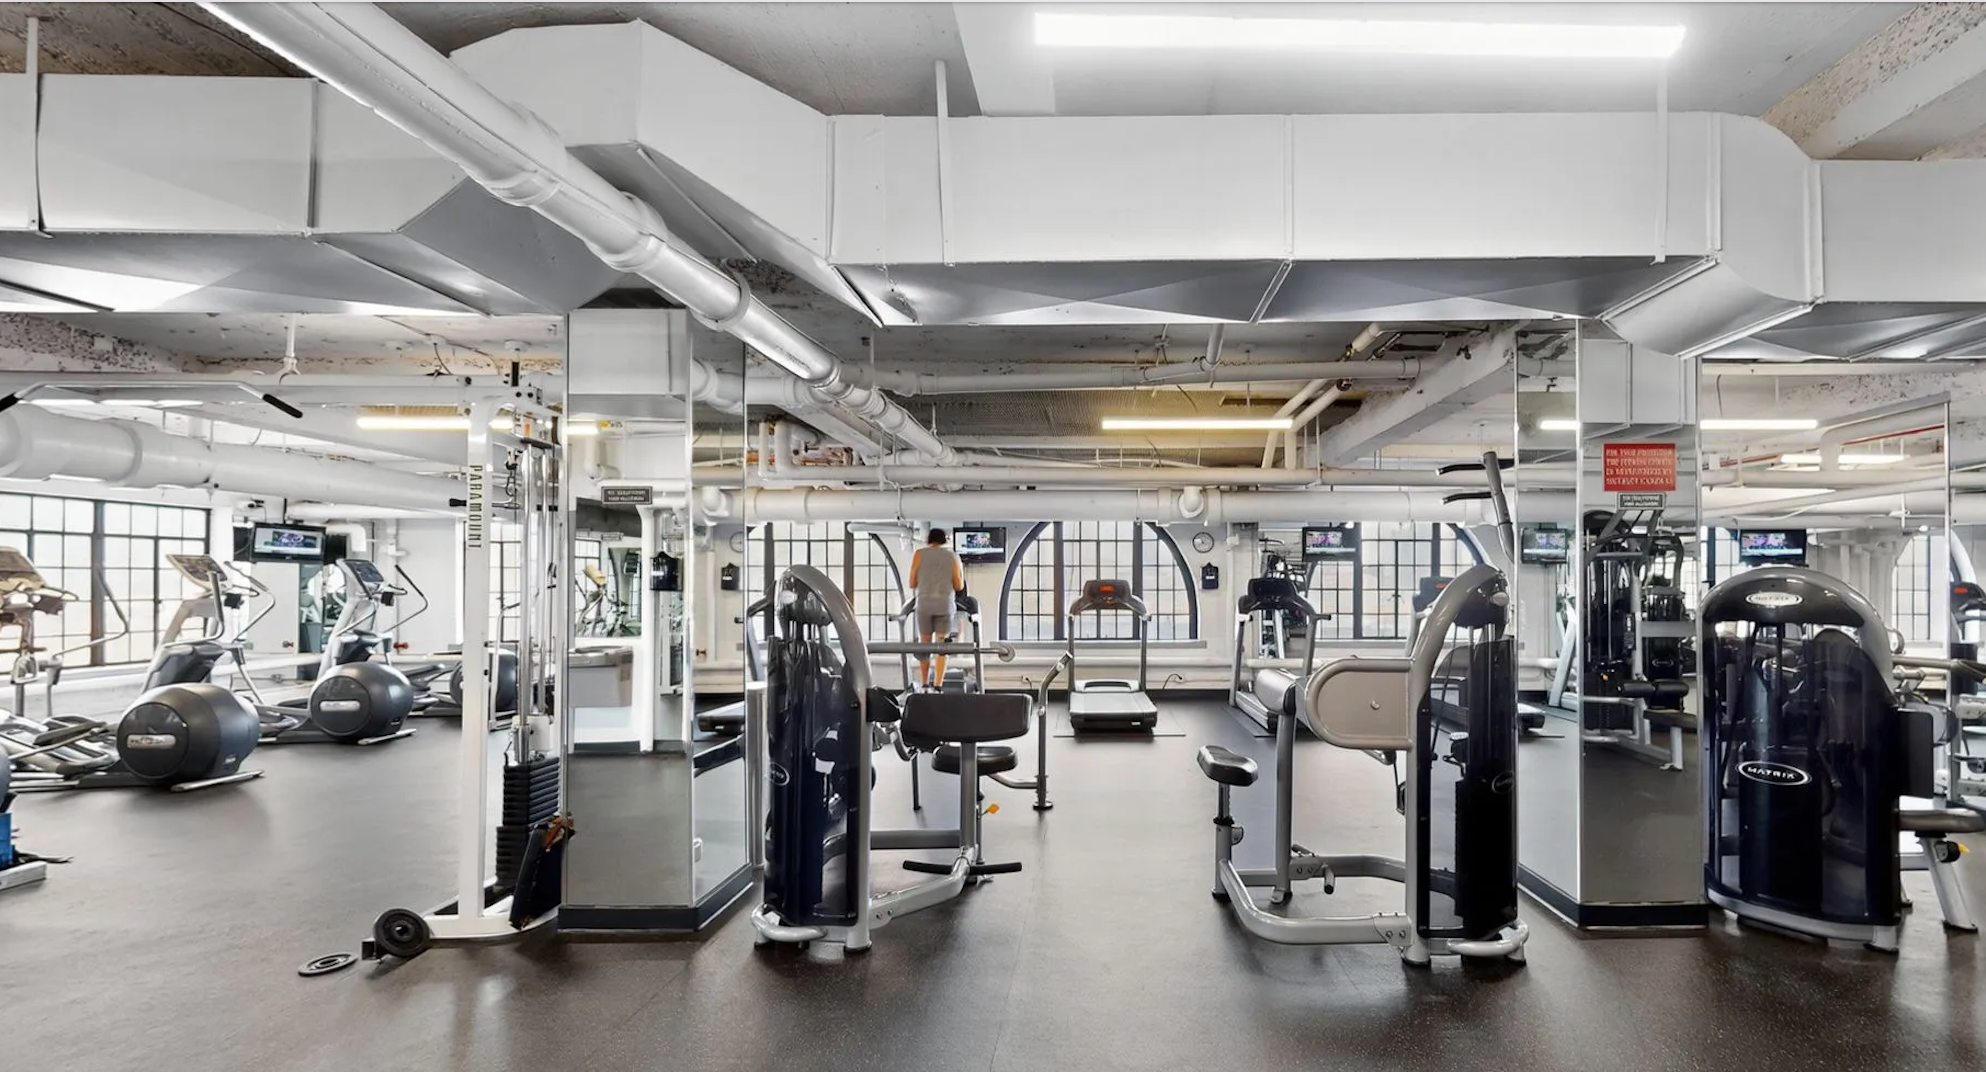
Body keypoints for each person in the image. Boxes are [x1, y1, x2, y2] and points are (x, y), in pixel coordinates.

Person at [908, 528, 965, 691]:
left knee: (924, 644)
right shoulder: (953, 555)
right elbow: (959, 585)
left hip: (924, 605)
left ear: (928, 539)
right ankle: (938, 685)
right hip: (945, 605)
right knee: (942, 647)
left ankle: (925, 683)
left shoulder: (919, 554)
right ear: (944, 540)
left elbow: (912, 583)